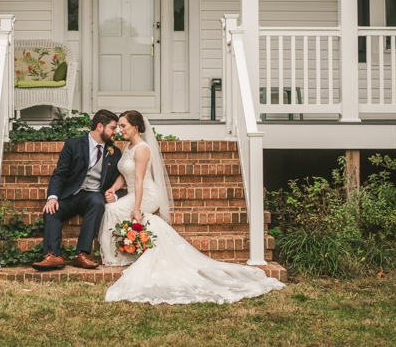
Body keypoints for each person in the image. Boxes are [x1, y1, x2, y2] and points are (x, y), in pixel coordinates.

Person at [100, 110, 286, 305]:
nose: (120, 130)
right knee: (112, 206)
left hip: (146, 194)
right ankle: (126, 250)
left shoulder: (142, 149)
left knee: (113, 210)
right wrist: (113, 189)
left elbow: (138, 180)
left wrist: (137, 209)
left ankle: (120, 256)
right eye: (119, 126)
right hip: (134, 193)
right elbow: (125, 174)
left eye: (123, 126)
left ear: (135, 126)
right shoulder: (128, 147)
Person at [32, 109, 123, 271]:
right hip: (71, 195)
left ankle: (81, 254)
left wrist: (114, 194)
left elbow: (118, 179)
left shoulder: (114, 152)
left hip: (93, 196)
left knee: (98, 203)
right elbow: (59, 174)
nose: (116, 132)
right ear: (100, 127)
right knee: (50, 210)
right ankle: (53, 255)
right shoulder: (73, 144)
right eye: (113, 128)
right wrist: (52, 197)